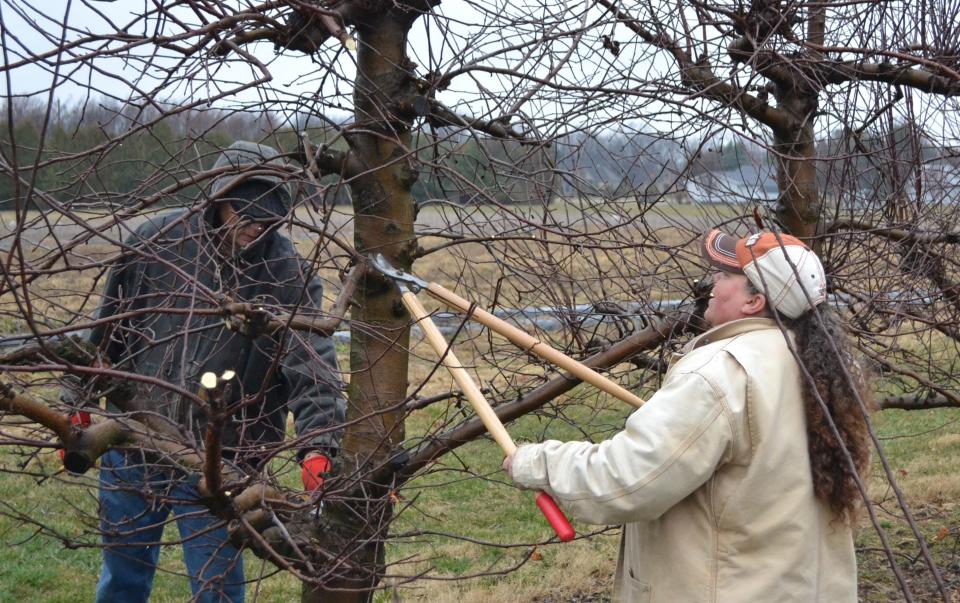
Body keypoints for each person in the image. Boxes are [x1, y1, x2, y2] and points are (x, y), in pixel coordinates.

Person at [504, 229, 872, 602]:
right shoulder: (825, 368)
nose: (713, 279)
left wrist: (537, 463)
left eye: (727, 275)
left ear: (754, 301)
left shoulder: (720, 374)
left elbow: (627, 480)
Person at [73, 141, 347, 603]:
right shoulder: (156, 243)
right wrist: (76, 403)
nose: (254, 225)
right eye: (243, 211)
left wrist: (320, 447)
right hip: (134, 440)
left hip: (224, 461)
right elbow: (106, 335)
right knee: (123, 579)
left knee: (218, 587)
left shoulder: (287, 275)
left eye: (267, 217)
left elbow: (312, 364)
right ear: (218, 198)